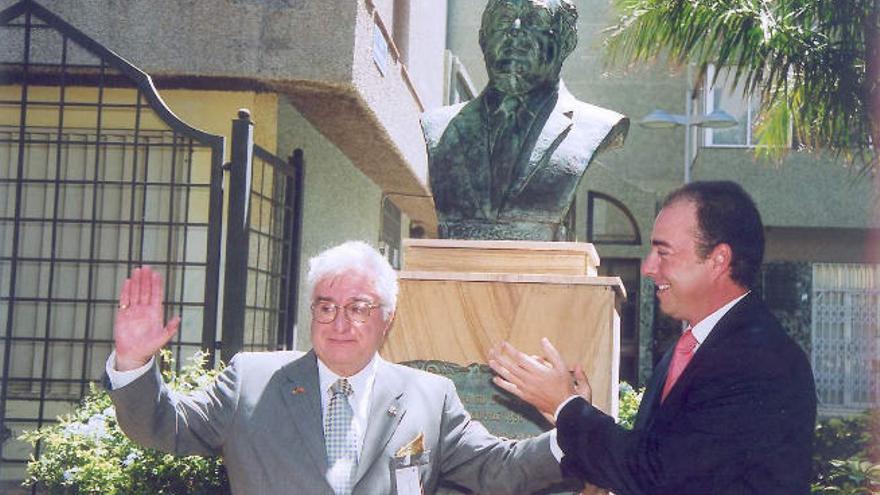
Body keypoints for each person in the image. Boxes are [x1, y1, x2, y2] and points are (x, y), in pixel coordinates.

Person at [105, 241, 566, 495]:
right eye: (326, 307)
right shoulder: (252, 380)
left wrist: (572, 429)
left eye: (359, 307)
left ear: (387, 317)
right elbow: (163, 425)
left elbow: (498, 469)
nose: (340, 323)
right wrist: (133, 362)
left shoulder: (431, 396)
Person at [489, 181, 817, 494]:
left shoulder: (760, 361)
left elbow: (658, 475)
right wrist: (577, 415)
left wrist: (567, 407)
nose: (648, 267)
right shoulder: (692, 348)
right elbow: (657, 456)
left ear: (718, 260)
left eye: (663, 253)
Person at [421, 0, 628, 241]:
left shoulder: (596, 127)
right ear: (483, 38)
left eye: (535, 20)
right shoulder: (438, 127)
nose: (515, 30)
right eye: (503, 19)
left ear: (566, 42)